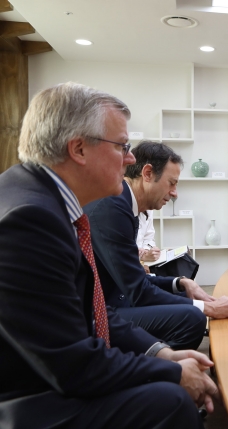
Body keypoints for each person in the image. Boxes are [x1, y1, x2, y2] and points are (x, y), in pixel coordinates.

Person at [0, 82, 216, 428]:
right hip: (29, 399)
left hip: (47, 376)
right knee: (170, 401)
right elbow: (72, 363)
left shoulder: (38, 197)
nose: (130, 159)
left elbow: (95, 311)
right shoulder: (30, 220)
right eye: (122, 147)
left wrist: (163, 353)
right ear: (79, 149)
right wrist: (173, 372)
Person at [84, 141, 228, 351]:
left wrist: (180, 282)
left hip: (118, 299)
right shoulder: (112, 208)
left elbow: (135, 278)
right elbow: (137, 291)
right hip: (103, 312)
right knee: (192, 316)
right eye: (171, 183)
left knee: (183, 298)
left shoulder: (124, 206)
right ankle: (157, 368)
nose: (175, 193)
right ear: (147, 173)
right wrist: (209, 307)